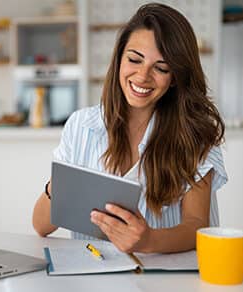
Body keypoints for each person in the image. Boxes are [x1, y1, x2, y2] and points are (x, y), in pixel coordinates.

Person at [32, 3, 227, 254]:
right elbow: (40, 225)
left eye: (161, 68)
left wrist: (148, 241)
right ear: (119, 59)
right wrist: (60, 184)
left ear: (175, 77)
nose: (143, 76)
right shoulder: (81, 126)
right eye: (134, 59)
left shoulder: (194, 135)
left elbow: (198, 226)